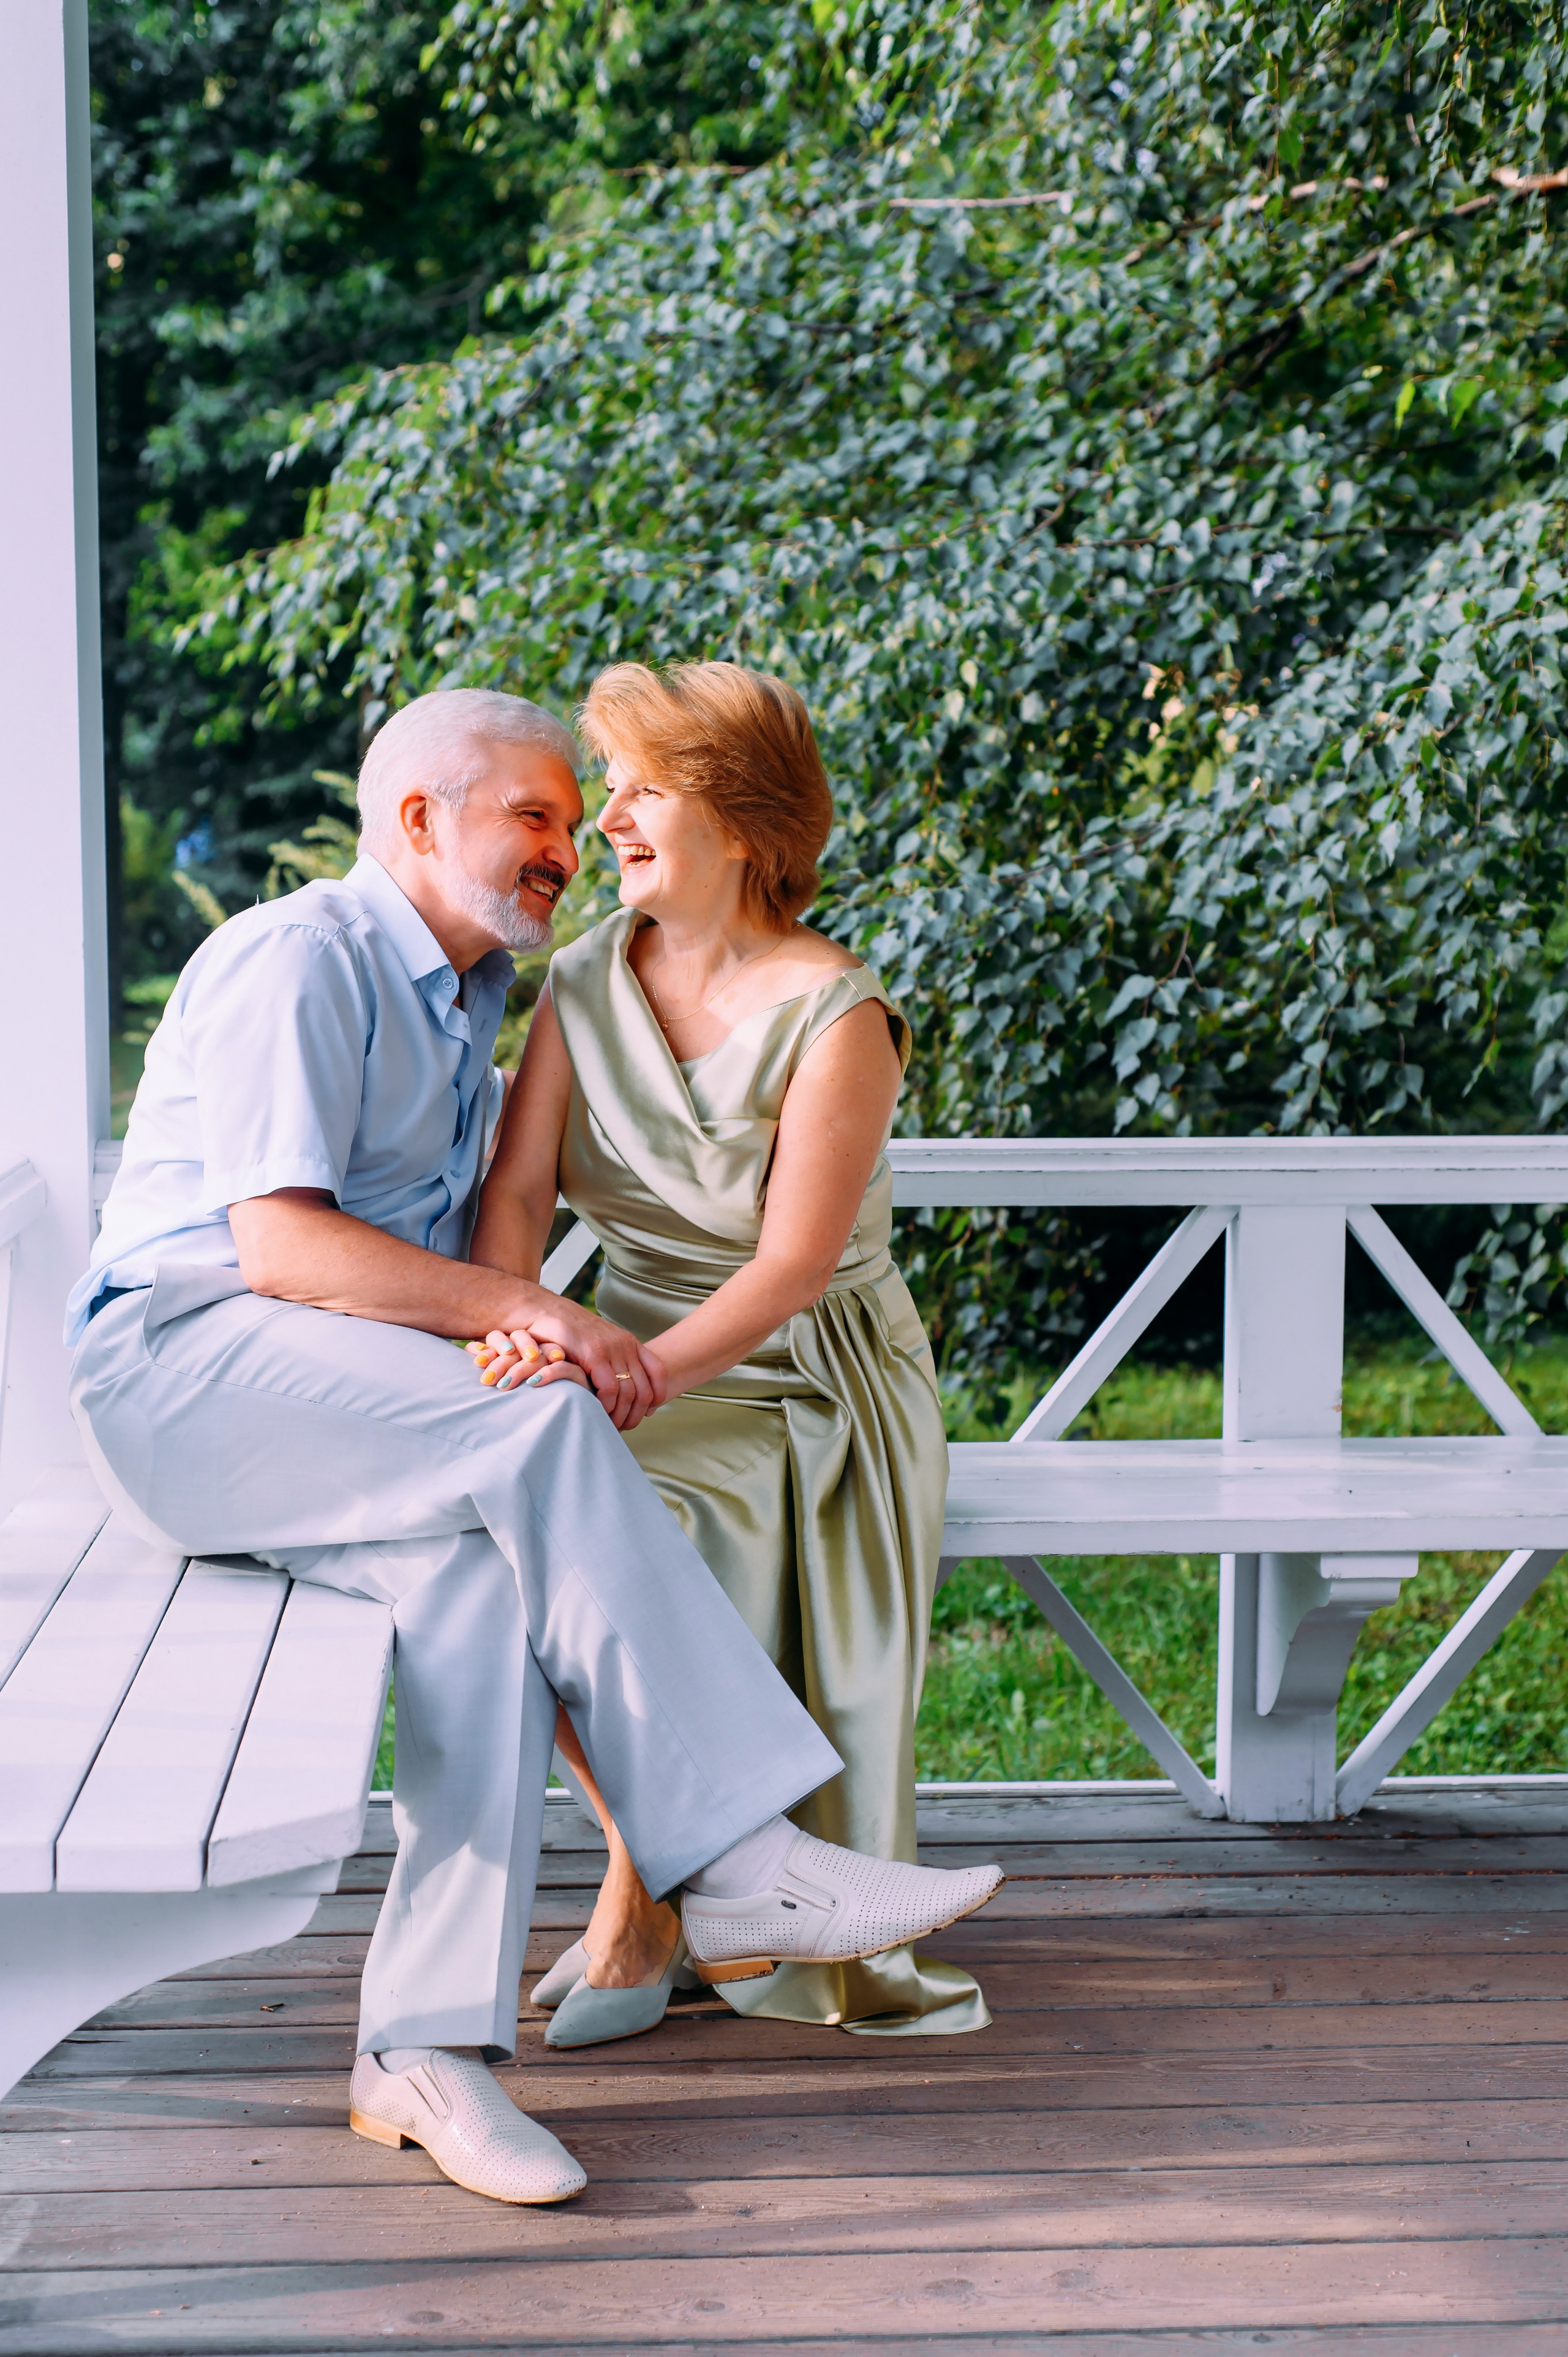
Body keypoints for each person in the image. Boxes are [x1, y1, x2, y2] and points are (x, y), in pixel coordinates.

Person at [65, 687, 1003, 2208]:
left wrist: (503, 1319)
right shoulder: (299, 959)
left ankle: (424, 2053)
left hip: (328, 1407)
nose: (568, 845)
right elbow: (281, 1245)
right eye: (537, 814)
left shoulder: (474, 993)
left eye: (581, 817)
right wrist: (525, 1315)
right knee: (544, 1416)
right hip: (191, 1380)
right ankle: (735, 1852)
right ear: (420, 818)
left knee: (478, 1602)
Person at [467, 660, 989, 2046]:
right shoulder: (584, 980)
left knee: (650, 1517)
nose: (607, 824)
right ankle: (721, 1878)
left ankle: (636, 1919)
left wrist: (630, 1376)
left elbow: (789, 1271)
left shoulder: (839, 1014)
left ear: (745, 823)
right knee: (494, 1524)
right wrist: (521, 1328)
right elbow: (516, 1197)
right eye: (609, 792)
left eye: (645, 791)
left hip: (802, 1375)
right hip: (616, 1352)